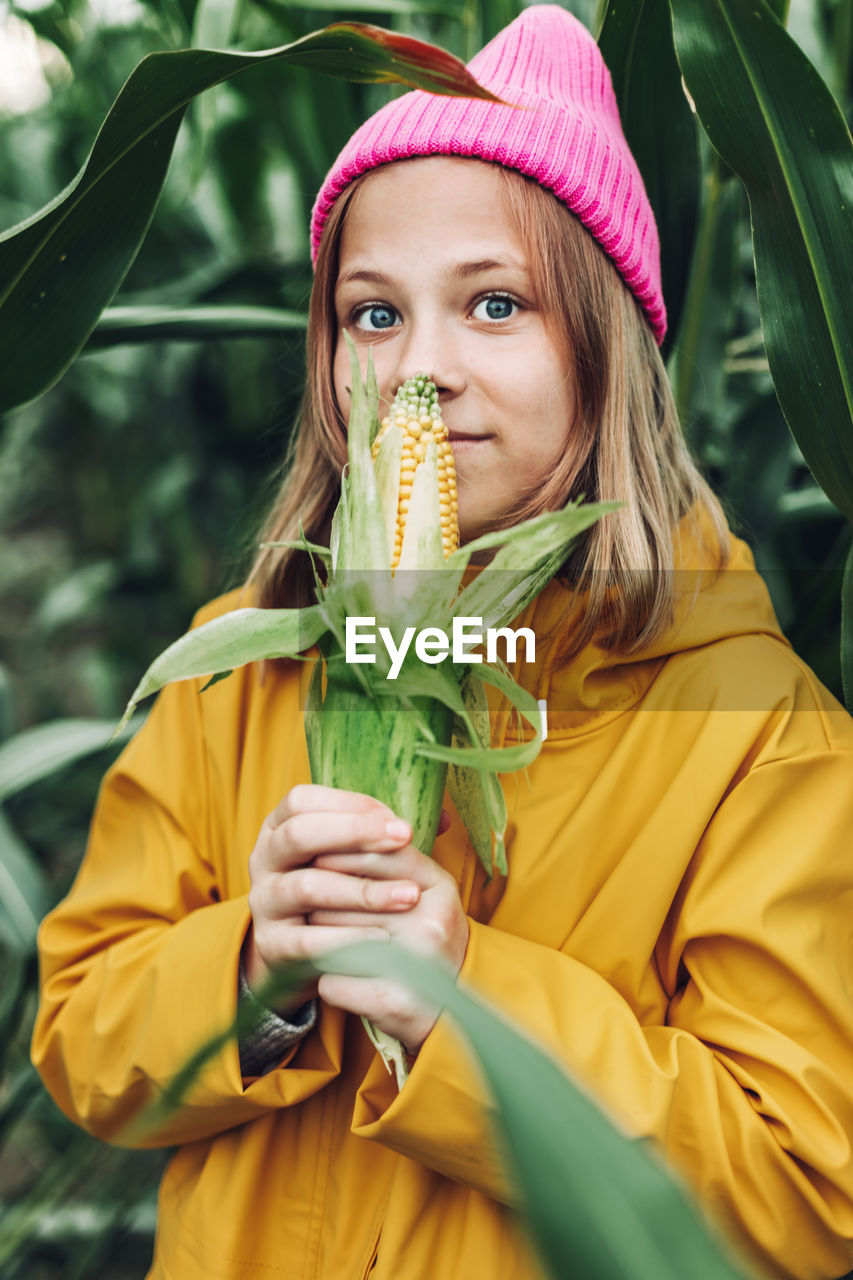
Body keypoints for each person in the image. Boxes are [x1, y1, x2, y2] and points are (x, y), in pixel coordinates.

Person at [31, 7, 853, 1279]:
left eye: (493, 303)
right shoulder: (236, 676)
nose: (422, 369)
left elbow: (803, 1192)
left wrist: (475, 1004)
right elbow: (87, 1045)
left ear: (606, 347)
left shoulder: (759, 734)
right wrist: (258, 971)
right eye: (372, 316)